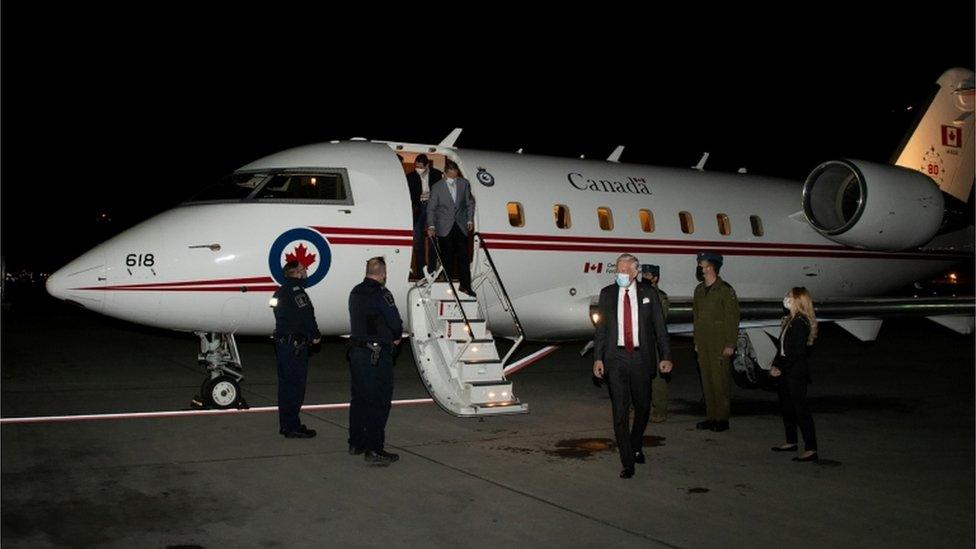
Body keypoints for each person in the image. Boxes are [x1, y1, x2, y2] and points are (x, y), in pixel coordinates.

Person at [593, 254, 673, 479]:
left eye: (626, 271)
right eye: (618, 270)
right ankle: (627, 461)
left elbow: (660, 328)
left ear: (636, 272)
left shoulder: (649, 294)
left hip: (641, 357)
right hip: (615, 358)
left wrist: (666, 356)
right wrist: (598, 358)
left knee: (643, 407)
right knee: (619, 411)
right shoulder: (607, 294)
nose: (621, 274)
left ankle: (636, 442)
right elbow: (601, 331)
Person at [348, 256, 404, 463]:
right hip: (377, 355)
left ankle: (356, 442)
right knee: (379, 401)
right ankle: (374, 448)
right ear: (383, 273)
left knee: (360, 399)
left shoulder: (355, 291)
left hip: (357, 353)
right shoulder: (382, 293)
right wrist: (396, 336)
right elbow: (394, 322)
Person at [271, 260, 321, 438]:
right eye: (303, 269)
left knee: (285, 387)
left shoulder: (280, 291)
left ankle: (286, 424)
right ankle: (292, 426)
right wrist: (315, 335)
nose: (306, 272)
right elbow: (307, 315)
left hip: (283, 344)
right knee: (295, 387)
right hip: (294, 347)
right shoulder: (298, 292)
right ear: (296, 273)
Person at [692, 251, 740, 432]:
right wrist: (696, 341)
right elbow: (696, 318)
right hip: (704, 342)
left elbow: (732, 318)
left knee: (719, 382)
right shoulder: (698, 290)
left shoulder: (725, 290)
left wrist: (730, 343)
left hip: (719, 341)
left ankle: (722, 418)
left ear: (711, 267)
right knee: (707, 381)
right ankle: (711, 416)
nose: (700, 268)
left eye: (702, 265)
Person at [770, 287, 819, 462]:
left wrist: (781, 367)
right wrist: (775, 365)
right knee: (787, 408)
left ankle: (811, 448)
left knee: (801, 410)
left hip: (795, 374)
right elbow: (782, 348)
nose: (786, 298)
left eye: (789, 296)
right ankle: (791, 441)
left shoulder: (800, 323)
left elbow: (797, 353)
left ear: (798, 300)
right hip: (786, 371)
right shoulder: (791, 320)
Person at [426, 159, 476, 296]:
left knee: (463, 256)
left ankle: (465, 285)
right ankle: (448, 284)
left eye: (456, 177)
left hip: (460, 224)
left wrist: (470, 219)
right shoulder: (437, 187)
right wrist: (431, 225)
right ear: (445, 174)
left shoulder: (464, 184)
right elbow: (431, 208)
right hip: (444, 225)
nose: (454, 180)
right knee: (447, 256)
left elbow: (469, 203)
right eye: (451, 177)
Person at [641, 264, 671, 423]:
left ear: (655, 278)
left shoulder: (660, 297)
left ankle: (660, 409)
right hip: (641, 342)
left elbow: (660, 320)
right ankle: (636, 407)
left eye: (648, 275)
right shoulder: (638, 293)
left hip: (654, 342)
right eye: (643, 274)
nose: (644, 278)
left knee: (658, 379)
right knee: (638, 377)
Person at [406, 154, 442, 278]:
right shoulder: (410, 177)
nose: (418, 169)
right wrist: (420, 196)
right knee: (417, 241)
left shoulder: (437, 175)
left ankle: (431, 270)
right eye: (416, 166)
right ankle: (421, 273)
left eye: (421, 167)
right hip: (418, 208)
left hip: (433, 208)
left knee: (433, 240)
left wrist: (431, 196)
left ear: (427, 166)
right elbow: (409, 195)